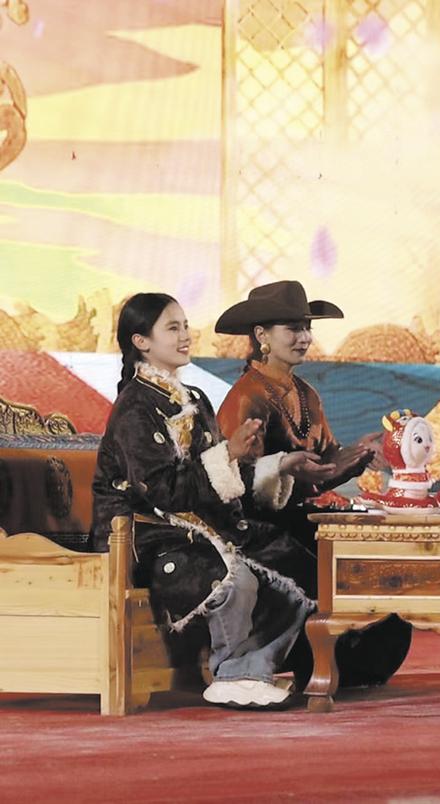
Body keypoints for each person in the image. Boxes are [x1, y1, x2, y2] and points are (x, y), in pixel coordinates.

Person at [91, 292, 327, 709]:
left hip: (199, 528)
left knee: (291, 561)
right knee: (237, 577)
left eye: (185, 326)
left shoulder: (195, 399)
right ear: (141, 342)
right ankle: (232, 673)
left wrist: (279, 465)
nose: (185, 336)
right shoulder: (134, 408)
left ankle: (254, 670)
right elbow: (161, 490)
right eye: (173, 328)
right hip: (146, 537)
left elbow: (220, 474)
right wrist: (229, 453)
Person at [214, 280, 412, 688]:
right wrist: (291, 469)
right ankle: (316, 662)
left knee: (371, 560)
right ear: (261, 335)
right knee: (320, 567)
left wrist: (357, 455)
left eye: (307, 328)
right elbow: (236, 481)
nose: (304, 337)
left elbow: (323, 465)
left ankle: (355, 662)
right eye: (293, 328)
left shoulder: (307, 394)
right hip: (257, 528)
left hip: (305, 518)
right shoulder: (246, 397)